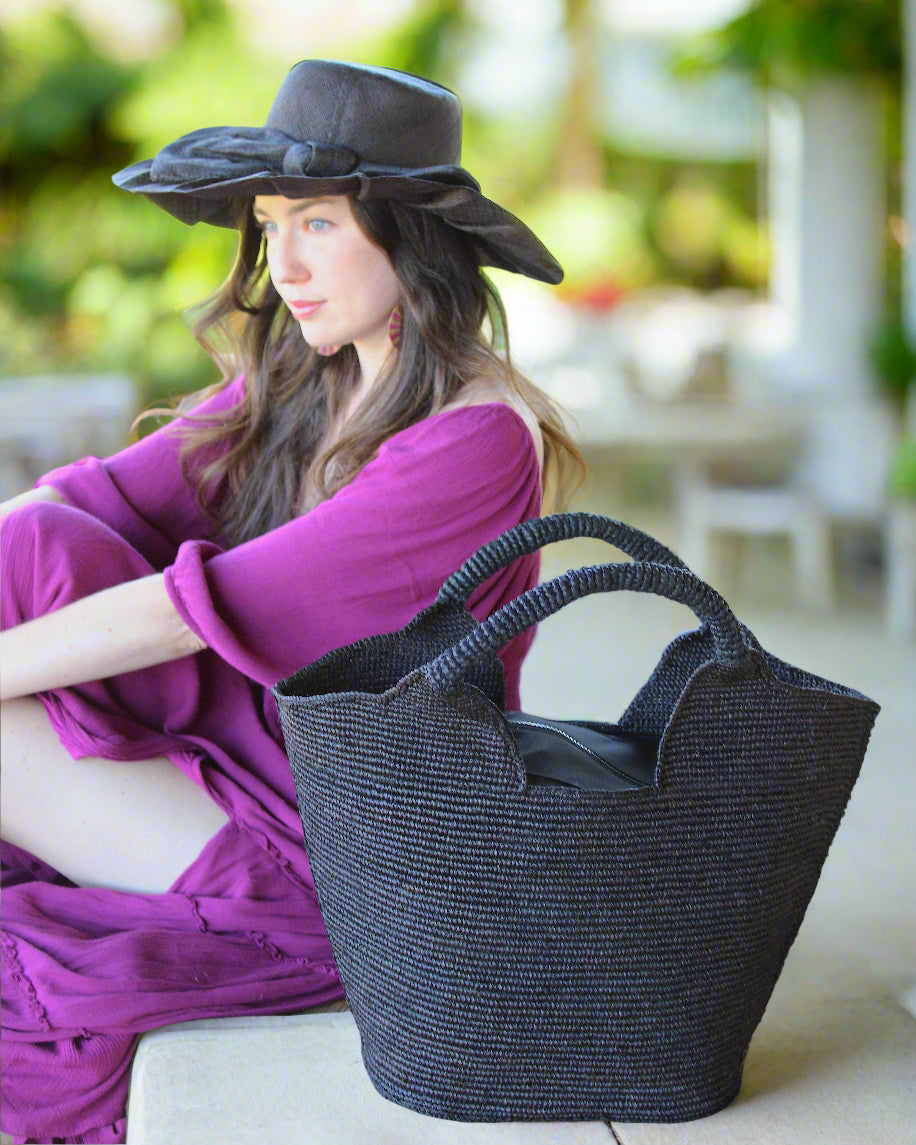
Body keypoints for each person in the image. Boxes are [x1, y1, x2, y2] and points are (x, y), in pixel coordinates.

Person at [0, 59, 583, 1143]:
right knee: (38, 534)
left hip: (344, 861)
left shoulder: (474, 437)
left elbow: (191, 610)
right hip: (239, 784)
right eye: (272, 227)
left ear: (411, 235)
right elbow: (82, 497)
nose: (284, 264)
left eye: (316, 224)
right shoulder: (309, 386)